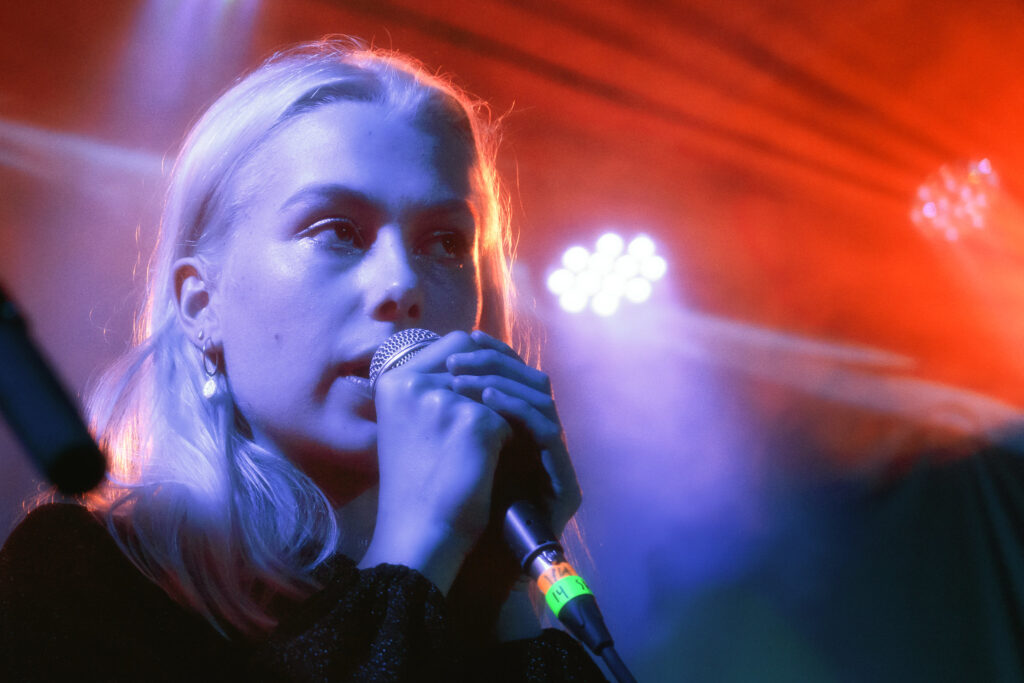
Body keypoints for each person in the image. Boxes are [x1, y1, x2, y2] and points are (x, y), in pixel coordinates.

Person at [0, 38, 605, 682]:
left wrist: (500, 578)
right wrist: (413, 559)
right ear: (201, 304)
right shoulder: (81, 574)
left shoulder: (478, 591)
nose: (402, 283)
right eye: (337, 231)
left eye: (447, 242)